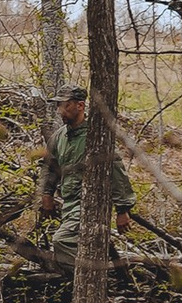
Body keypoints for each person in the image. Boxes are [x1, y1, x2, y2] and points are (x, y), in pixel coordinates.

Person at [37, 86, 135, 257]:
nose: (60, 111)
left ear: (80, 106)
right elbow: (50, 168)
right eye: (58, 106)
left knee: (62, 241)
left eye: (65, 106)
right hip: (68, 204)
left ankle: (92, 276)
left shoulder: (96, 136)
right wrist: (47, 195)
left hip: (90, 204)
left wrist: (122, 209)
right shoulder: (59, 137)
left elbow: (116, 170)